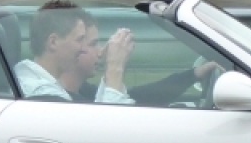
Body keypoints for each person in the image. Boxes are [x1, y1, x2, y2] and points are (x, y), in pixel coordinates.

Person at [61, 17, 223, 106]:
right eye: (92, 44)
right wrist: (114, 67)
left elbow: (139, 96)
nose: (101, 51)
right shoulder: (58, 101)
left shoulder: (81, 91)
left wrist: (192, 75)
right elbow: (113, 127)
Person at [13, 0, 134, 104]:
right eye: (80, 39)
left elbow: (95, 116)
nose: (83, 49)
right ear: (53, 42)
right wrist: (115, 68)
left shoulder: (39, 83)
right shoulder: (42, 94)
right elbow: (103, 128)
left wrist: (110, 73)